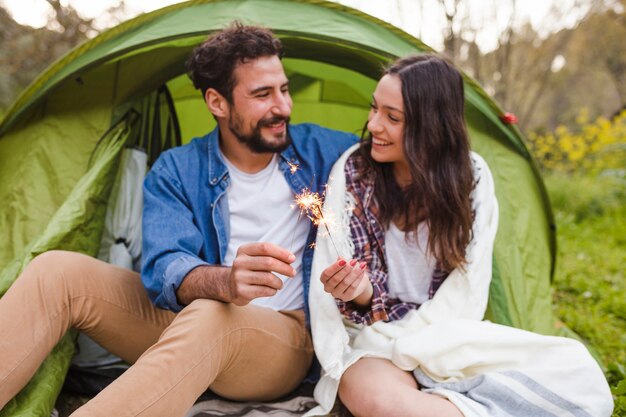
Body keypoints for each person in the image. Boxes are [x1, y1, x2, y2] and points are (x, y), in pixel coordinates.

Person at [0, 23, 356, 417]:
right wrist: (227, 281)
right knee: (57, 271)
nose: (283, 107)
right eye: (262, 94)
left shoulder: (323, 150)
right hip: (188, 320)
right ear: (217, 103)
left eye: (284, 89)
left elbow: (402, 149)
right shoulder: (178, 168)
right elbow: (165, 265)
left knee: (212, 313)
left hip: (281, 340)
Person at [306, 55, 613, 417]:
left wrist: (414, 342)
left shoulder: (472, 178)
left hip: (448, 336)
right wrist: (358, 293)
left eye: (392, 117)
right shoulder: (354, 172)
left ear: (431, 126)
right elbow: (339, 295)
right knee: (371, 394)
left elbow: (466, 295)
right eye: (374, 109)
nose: (373, 124)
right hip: (372, 343)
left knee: (574, 370)